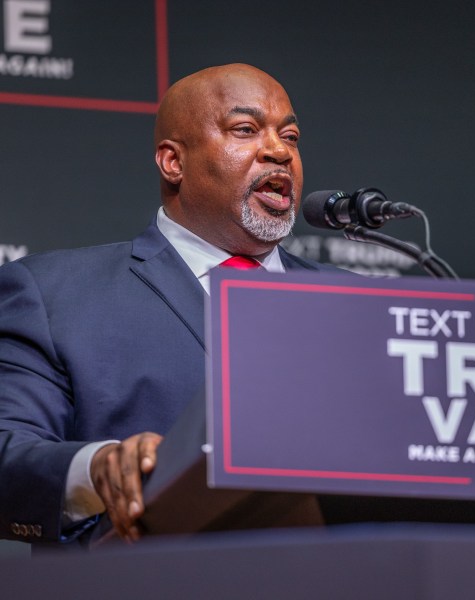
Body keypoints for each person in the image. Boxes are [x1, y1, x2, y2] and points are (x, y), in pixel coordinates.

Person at [0, 63, 338, 547]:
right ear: (173, 162)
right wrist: (95, 469)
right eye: (245, 130)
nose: (279, 150)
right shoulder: (52, 295)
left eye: (290, 135)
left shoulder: (354, 301)